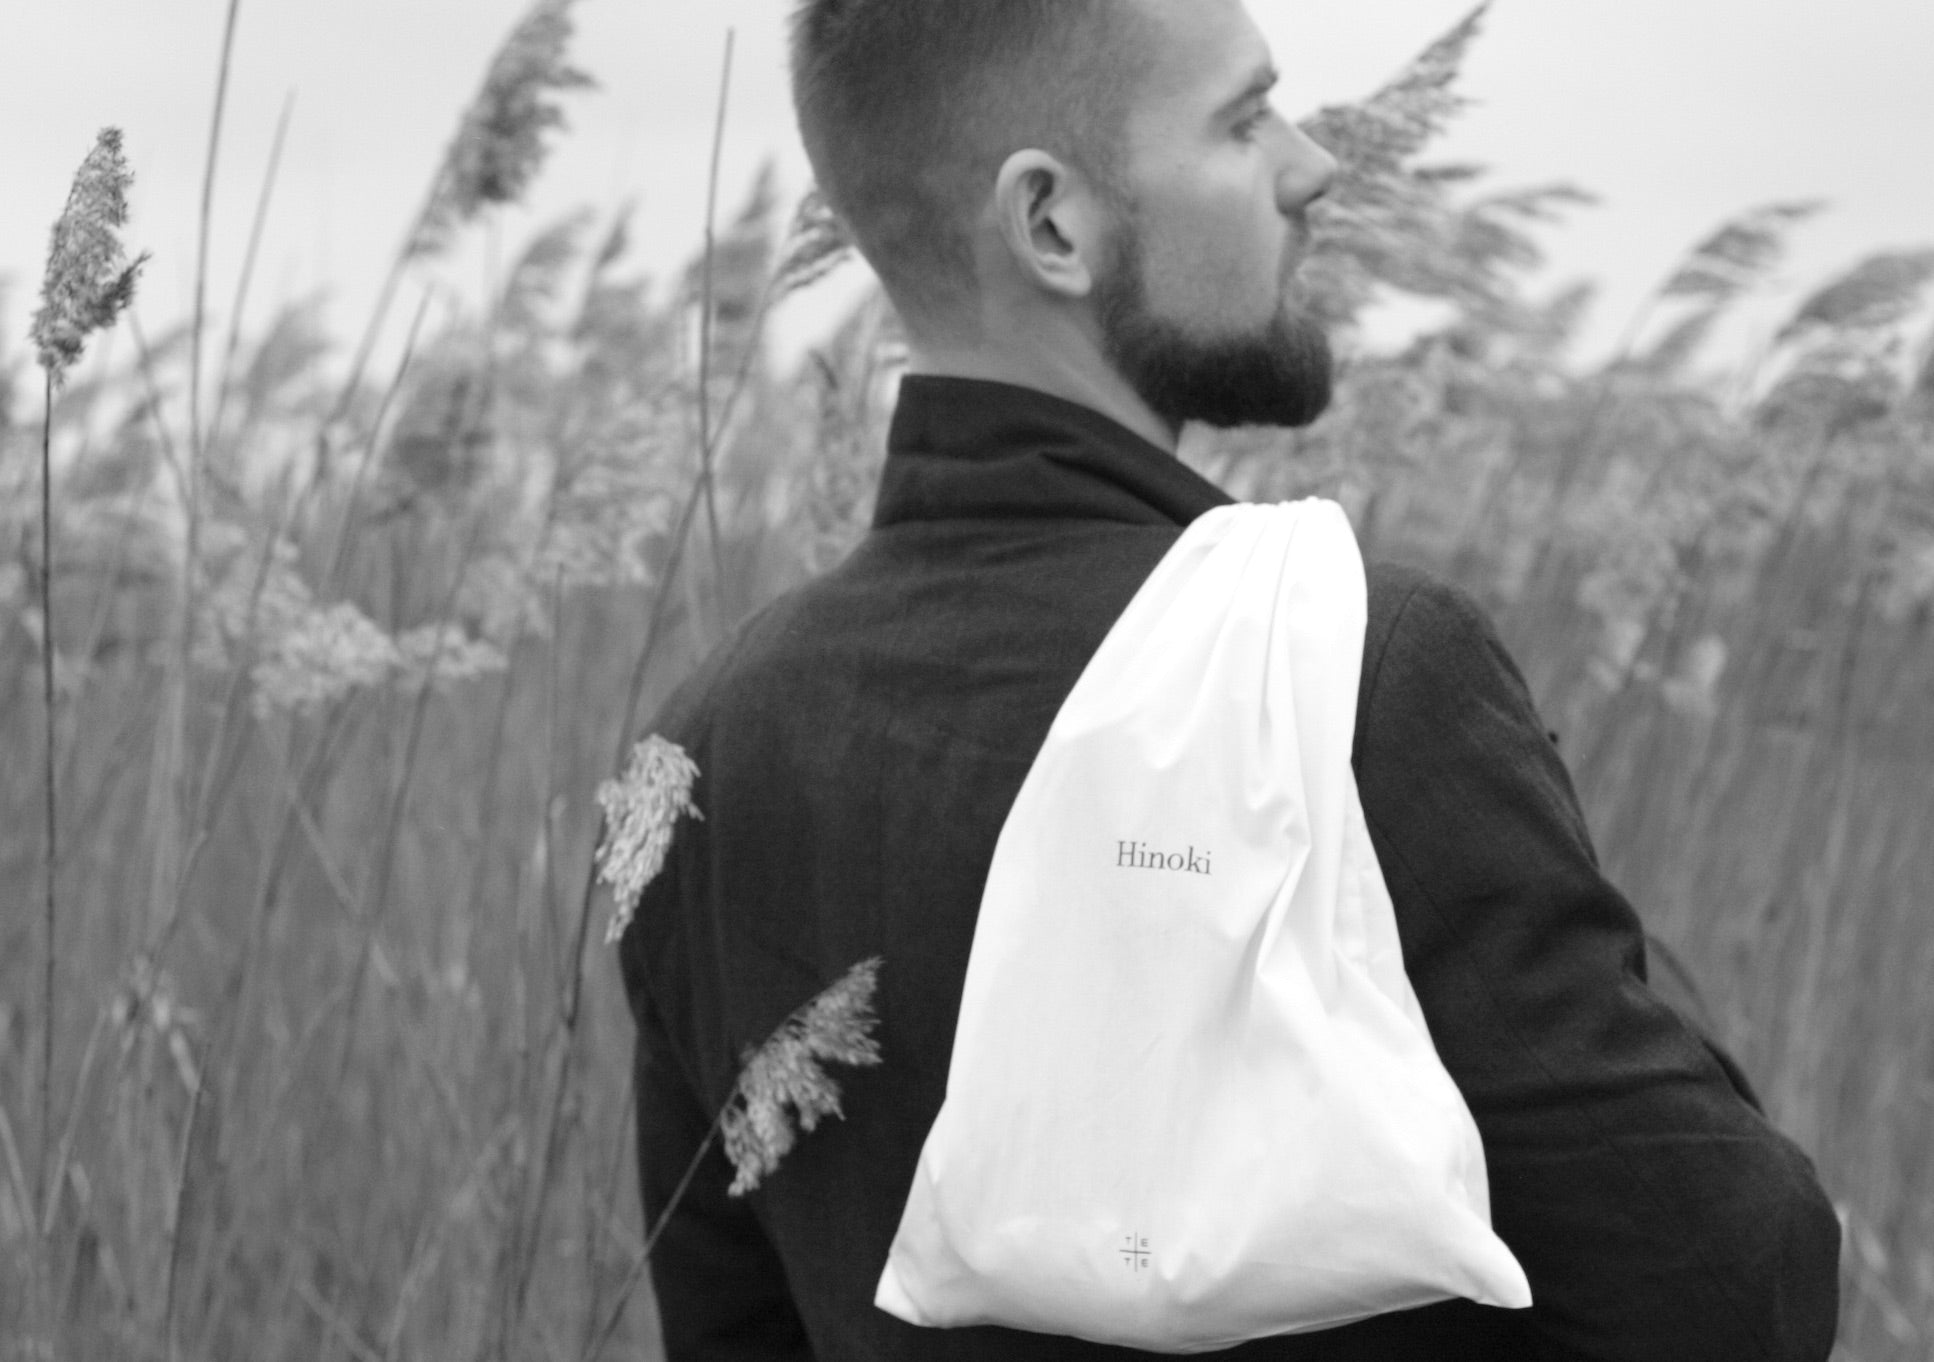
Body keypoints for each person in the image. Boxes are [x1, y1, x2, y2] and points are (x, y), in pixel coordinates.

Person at [615, 0, 1844, 1357]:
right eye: (1242, 119)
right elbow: (1726, 1272)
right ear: (1051, 226)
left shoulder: (707, 750)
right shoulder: (1340, 667)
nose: (1311, 164)